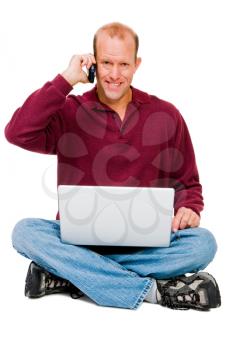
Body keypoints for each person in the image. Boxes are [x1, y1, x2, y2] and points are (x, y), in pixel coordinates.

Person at [5, 22, 221, 311]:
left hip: (146, 245)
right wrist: (65, 80)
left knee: (203, 243)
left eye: (123, 64)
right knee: (25, 232)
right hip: (79, 243)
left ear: (136, 65)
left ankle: (72, 275)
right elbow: (17, 132)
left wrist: (189, 208)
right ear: (93, 62)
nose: (115, 74)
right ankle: (150, 291)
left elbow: (187, 183)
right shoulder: (69, 111)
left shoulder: (166, 115)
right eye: (106, 63)